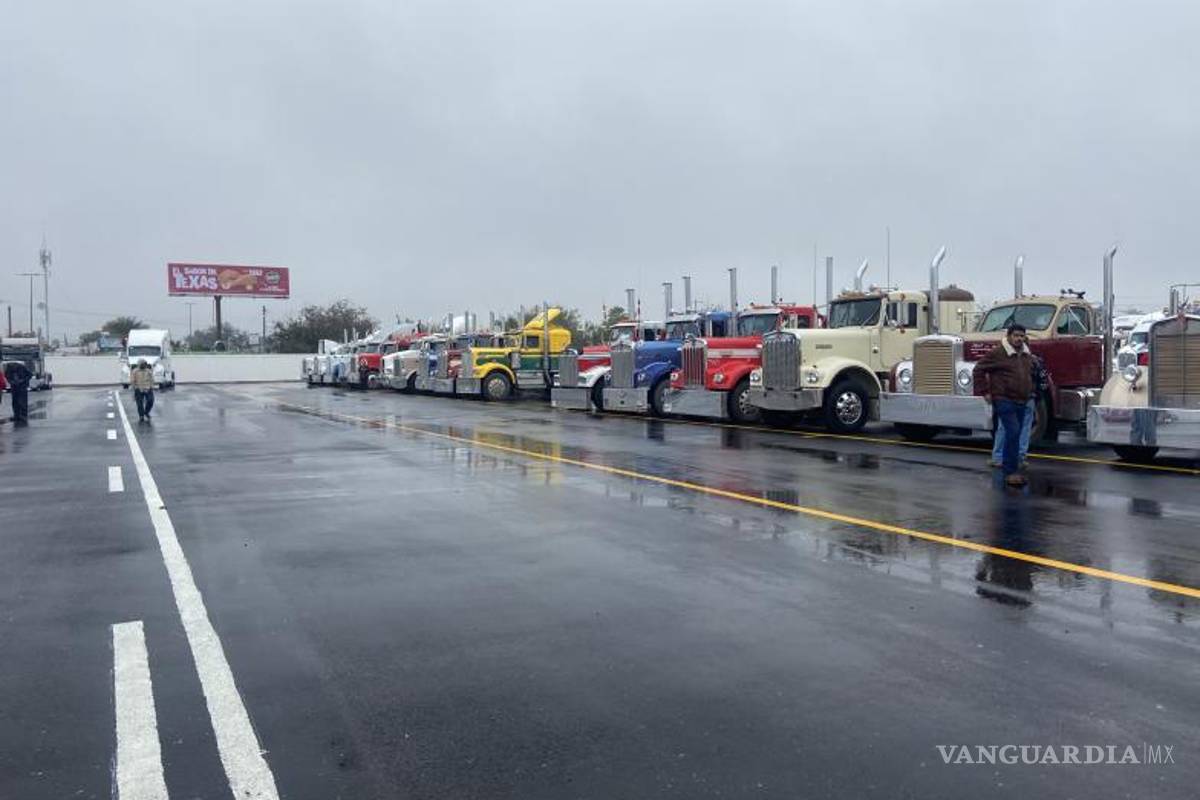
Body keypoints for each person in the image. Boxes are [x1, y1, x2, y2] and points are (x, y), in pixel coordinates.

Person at [974, 324, 1034, 486]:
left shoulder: (1026, 354)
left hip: (1022, 399)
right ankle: (1010, 472)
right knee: (1013, 432)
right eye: (1016, 335)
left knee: (1015, 434)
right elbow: (978, 369)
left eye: (1022, 336)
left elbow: (1029, 374)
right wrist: (985, 391)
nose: (1019, 339)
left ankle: (1013, 468)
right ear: (1008, 336)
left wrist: (1031, 390)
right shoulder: (998, 353)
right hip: (1004, 399)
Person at [989, 352, 1047, 469]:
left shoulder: (1006, 360)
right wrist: (1037, 396)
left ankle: (998, 457)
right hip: (1029, 397)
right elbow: (1043, 381)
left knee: (1003, 427)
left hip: (1009, 398)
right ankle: (1020, 457)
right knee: (1024, 428)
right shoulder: (1035, 361)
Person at [3, 360, 33, 425]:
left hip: (22, 387)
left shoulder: (22, 368)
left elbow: (30, 375)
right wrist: (11, 381)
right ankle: (16, 415)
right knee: (15, 401)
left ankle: (23, 415)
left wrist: (23, 380)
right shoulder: (9, 369)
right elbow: (6, 375)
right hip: (14, 387)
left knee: (22, 401)